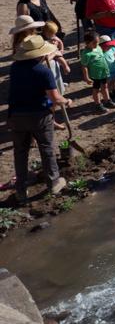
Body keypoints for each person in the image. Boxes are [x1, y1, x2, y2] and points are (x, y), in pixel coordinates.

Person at [8, 35, 70, 203]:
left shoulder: (15, 67)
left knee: (20, 153)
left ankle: (21, 190)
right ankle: (54, 182)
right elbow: (56, 98)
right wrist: (67, 101)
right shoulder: (43, 71)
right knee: (46, 148)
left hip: (16, 116)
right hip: (38, 115)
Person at [81, 31, 115, 112]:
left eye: (97, 42)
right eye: (94, 43)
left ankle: (107, 101)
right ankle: (98, 105)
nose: (96, 44)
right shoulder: (86, 54)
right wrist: (86, 77)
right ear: (87, 43)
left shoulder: (98, 47)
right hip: (96, 75)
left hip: (103, 72)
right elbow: (84, 66)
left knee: (105, 87)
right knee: (96, 90)